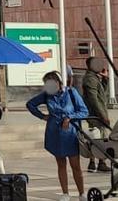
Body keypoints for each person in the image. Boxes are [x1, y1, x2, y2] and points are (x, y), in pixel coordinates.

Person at [26, 71, 88, 201]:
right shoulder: (47, 95)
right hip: (55, 132)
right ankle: (65, 193)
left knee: (75, 165)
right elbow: (30, 104)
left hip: (70, 133)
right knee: (61, 164)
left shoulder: (71, 93)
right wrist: (42, 116)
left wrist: (70, 117)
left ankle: (82, 192)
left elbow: (84, 111)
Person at [81, 57, 112, 173]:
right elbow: (93, 99)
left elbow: (102, 93)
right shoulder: (90, 79)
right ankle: (97, 162)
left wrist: (105, 79)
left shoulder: (94, 78)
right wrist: (103, 115)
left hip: (97, 112)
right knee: (97, 137)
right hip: (95, 114)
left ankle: (97, 162)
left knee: (98, 137)